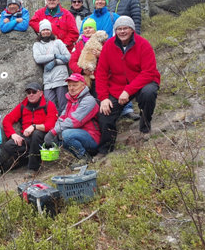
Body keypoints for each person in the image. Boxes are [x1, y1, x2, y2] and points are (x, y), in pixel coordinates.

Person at [95, 16, 161, 154]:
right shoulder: (108, 46)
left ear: (132, 30)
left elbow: (149, 72)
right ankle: (105, 150)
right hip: (117, 86)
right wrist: (103, 98)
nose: (122, 31)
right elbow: (101, 73)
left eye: (125, 28)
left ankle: (145, 128)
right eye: (119, 29)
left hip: (142, 82)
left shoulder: (143, 44)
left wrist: (128, 90)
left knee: (148, 93)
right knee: (105, 113)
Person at [69, 19, 139, 120]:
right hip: (85, 78)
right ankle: (93, 120)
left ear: (95, 30)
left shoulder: (105, 42)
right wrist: (82, 70)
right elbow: (72, 62)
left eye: (90, 28)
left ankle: (121, 112)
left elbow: (114, 58)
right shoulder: (78, 45)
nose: (88, 30)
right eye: (85, 28)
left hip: (102, 77)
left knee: (106, 95)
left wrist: (100, 55)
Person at [1, 82, 59, 178]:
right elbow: (7, 120)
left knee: (36, 134)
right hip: (27, 138)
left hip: (44, 137)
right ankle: (31, 159)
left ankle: (33, 168)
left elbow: (51, 125)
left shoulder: (49, 105)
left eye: (34, 92)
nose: (31, 94)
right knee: (9, 145)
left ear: (40, 93)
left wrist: (34, 126)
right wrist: (13, 134)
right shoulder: (22, 106)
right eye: (28, 92)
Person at [44, 73, 100, 169]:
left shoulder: (88, 100)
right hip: (80, 135)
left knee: (66, 134)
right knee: (61, 135)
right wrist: (55, 131)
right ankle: (82, 157)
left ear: (83, 85)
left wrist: (53, 132)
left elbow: (74, 121)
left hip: (92, 138)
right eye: (69, 86)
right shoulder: (71, 101)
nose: (71, 88)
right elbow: (62, 118)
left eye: (75, 85)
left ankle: (84, 157)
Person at [32, 19, 71, 114]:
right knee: (50, 105)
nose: (46, 32)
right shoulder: (37, 45)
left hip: (61, 77)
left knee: (63, 105)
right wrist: (54, 56)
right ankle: (54, 125)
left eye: (47, 29)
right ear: (40, 32)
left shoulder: (58, 42)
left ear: (51, 31)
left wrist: (55, 62)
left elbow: (68, 57)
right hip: (48, 79)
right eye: (43, 30)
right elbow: (38, 58)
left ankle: (64, 125)